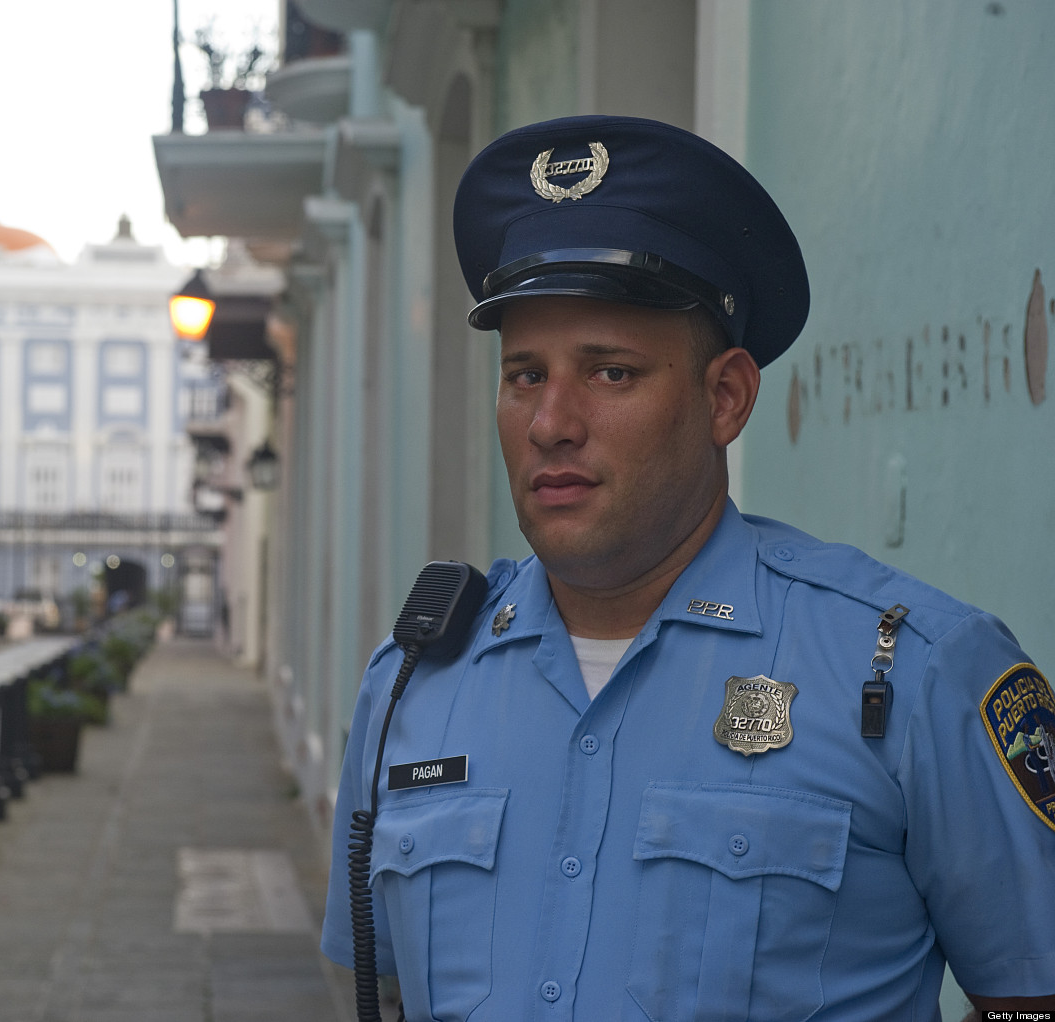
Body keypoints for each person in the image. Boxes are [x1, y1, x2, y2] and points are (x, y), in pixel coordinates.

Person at [321, 115, 1055, 1020]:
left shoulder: (917, 674)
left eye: (611, 374)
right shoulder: (411, 687)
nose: (552, 421)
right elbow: (381, 986)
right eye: (524, 375)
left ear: (726, 397)